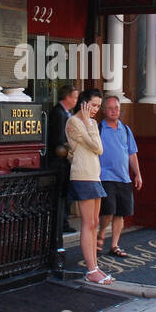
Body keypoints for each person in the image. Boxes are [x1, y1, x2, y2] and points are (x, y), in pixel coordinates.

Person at [66, 88, 111, 284]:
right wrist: (87, 123)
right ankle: (91, 269)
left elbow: (97, 148)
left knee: (94, 223)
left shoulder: (91, 123)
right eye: (93, 105)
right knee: (87, 223)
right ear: (83, 104)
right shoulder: (74, 122)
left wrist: (89, 125)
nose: (96, 110)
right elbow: (97, 147)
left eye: (98, 106)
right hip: (82, 175)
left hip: (95, 175)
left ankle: (95, 267)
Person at [98, 95, 142, 259]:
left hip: (123, 177)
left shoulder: (125, 129)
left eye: (116, 108)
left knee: (120, 213)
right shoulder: (99, 128)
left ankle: (114, 245)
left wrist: (137, 174)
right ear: (104, 110)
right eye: (110, 108)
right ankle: (101, 233)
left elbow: (132, 153)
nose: (114, 111)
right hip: (105, 176)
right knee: (108, 210)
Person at [44, 83, 78, 234]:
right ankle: (60, 223)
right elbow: (58, 140)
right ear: (67, 97)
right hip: (59, 163)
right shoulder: (58, 113)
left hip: (65, 162)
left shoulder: (66, 113)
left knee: (66, 192)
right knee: (61, 193)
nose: (76, 100)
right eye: (75, 97)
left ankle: (63, 221)